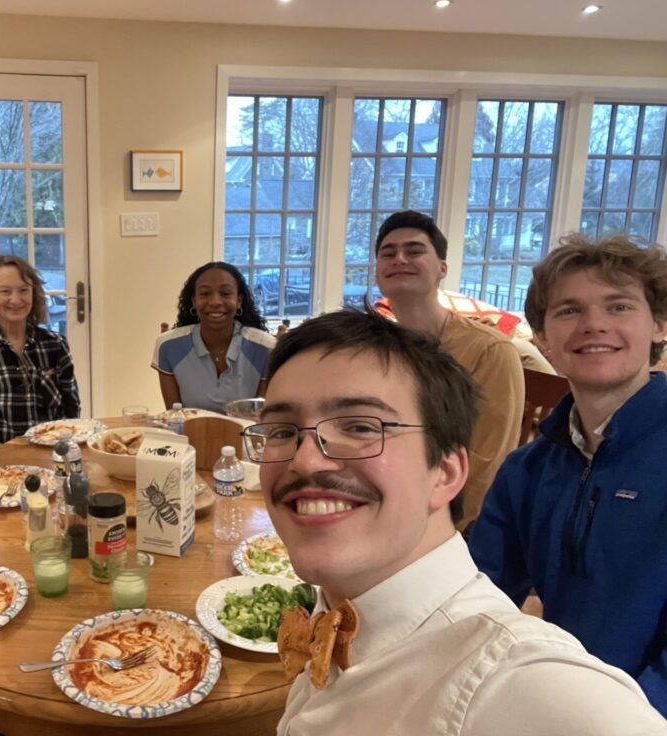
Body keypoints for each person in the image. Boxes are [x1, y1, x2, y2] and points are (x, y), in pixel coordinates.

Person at [245, 310, 666, 735]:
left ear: (445, 472)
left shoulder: (524, 684)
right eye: (281, 431)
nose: (303, 459)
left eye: (359, 426)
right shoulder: (341, 611)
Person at [469, 234, 667, 716]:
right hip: (558, 699)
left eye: (618, 307)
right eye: (569, 310)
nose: (593, 324)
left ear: (659, 324)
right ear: (542, 338)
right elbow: (476, 601)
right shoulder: (527, 470)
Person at [374, 210, 524, 527]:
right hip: (389, 509)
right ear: (378, 273)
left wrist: (423, 531)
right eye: (388, 253)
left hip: (457, 529)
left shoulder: (489, 351)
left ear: (442, 268)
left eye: (414, 251)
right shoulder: (378, 348)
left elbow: (487, 466)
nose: (399, 258)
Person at [0, 254, 80, 448]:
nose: (15, 299)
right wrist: (0, 450)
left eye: (23, 290)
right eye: (5, 291)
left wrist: (61, 443)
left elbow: (72, 408)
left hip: (51, 452)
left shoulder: (56, 344)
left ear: (34, 294)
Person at [151, 261, 275, 413]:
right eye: (205, 294)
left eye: (225, 293)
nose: (215, 302)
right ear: (194, 301)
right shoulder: (168, 346)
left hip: (245, 435)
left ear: (238, 301)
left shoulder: (265, 348)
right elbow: (175, 417)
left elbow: (261, 420)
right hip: (190, 434)